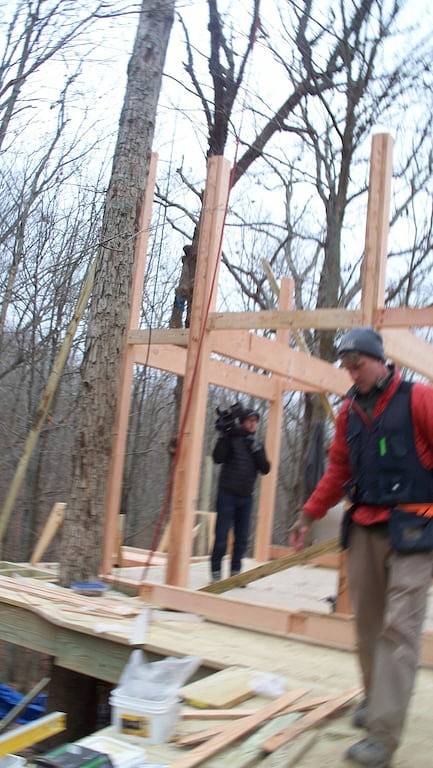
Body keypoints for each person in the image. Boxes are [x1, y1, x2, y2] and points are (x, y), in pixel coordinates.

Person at [290, 327, 433, 768]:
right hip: (366, 528)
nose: (352, 374)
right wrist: (309, 514)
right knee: (367, 627)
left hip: (416, 528)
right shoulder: (349, 413)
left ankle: (383, 737)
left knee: (398, 630)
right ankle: (376, 700)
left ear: (380, 359)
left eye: (358, 365)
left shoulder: (419, 399)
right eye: (347, 368)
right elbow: (337, 470)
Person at [210, 407, 270, 581]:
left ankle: (236, 571)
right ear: (242, 421)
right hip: (227, 494)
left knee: (242, 538)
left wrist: (256, 449)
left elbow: (265, 469)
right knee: (221, 536)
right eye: (250, 420)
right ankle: (215, 571)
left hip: (246, 497)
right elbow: (217, 458)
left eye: (255, 421)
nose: (253, 424)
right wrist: (223, 436)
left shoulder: (256, 443)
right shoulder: (231, 438)